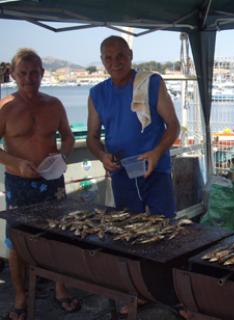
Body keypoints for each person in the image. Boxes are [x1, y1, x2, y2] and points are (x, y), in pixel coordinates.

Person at [0, 48, 77, 320]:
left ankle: (60, 288)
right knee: (16, 242)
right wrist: (16, 162)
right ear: (13, 74)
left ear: (43, 74)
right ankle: (20, 296)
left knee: (59, 236)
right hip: (18, 183)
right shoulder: (5, 107)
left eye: (34, 73)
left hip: (52, 180)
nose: (29, 79)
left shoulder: (54, 104)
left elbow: (68, 137)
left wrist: (63, 154)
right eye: (23, 73)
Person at [87, 36, 180, 218]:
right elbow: (92, 137)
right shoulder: (97, 94)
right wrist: (102, 156)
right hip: (121, 174)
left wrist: (157, 152)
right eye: (108, 58)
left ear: (130, 55)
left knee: (166, 228)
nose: (115, 62)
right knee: (128, 228)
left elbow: (174, 126)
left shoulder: (151, 83)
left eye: (120, 56)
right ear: (102, 60)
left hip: (156, 171)